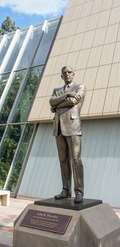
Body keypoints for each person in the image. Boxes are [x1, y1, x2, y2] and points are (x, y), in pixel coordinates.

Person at [49, 66, 86, 203]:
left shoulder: (80, 86)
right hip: (58, 127)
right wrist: (65, 96)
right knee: (63, 160)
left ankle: (79, 191)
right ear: (61, 76)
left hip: (73, 127)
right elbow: (51, 102)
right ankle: (65, 190)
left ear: (73, 74)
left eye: (69, 72)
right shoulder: (56, 90)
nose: (67, 74)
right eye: (64, 73)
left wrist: (57, 103)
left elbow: (73, 101)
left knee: (76, 160)